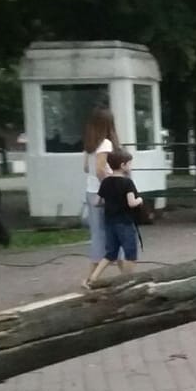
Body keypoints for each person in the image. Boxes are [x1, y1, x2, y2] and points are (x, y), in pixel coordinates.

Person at [86, 149, 142, 287]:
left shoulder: (105, 182)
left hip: (109, 222)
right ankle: (127, 281)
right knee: (130, 254)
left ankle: (92, 279)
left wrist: (109, 202)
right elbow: (131, 203)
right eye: (130, 164)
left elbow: (96, 202)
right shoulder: (127, 183)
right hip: (125, 222)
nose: (131, 167)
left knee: (110, 253)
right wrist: (140, 199)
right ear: (123, 166)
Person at [81, 104, 119, 286]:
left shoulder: (90, 145)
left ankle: (92, 276)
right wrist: (114, 179)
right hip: (103, 193)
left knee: (98, 233)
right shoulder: (106, 143)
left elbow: (86, 167)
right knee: (116, 230)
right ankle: (95, 277)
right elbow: (98, 169)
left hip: (90, 191)